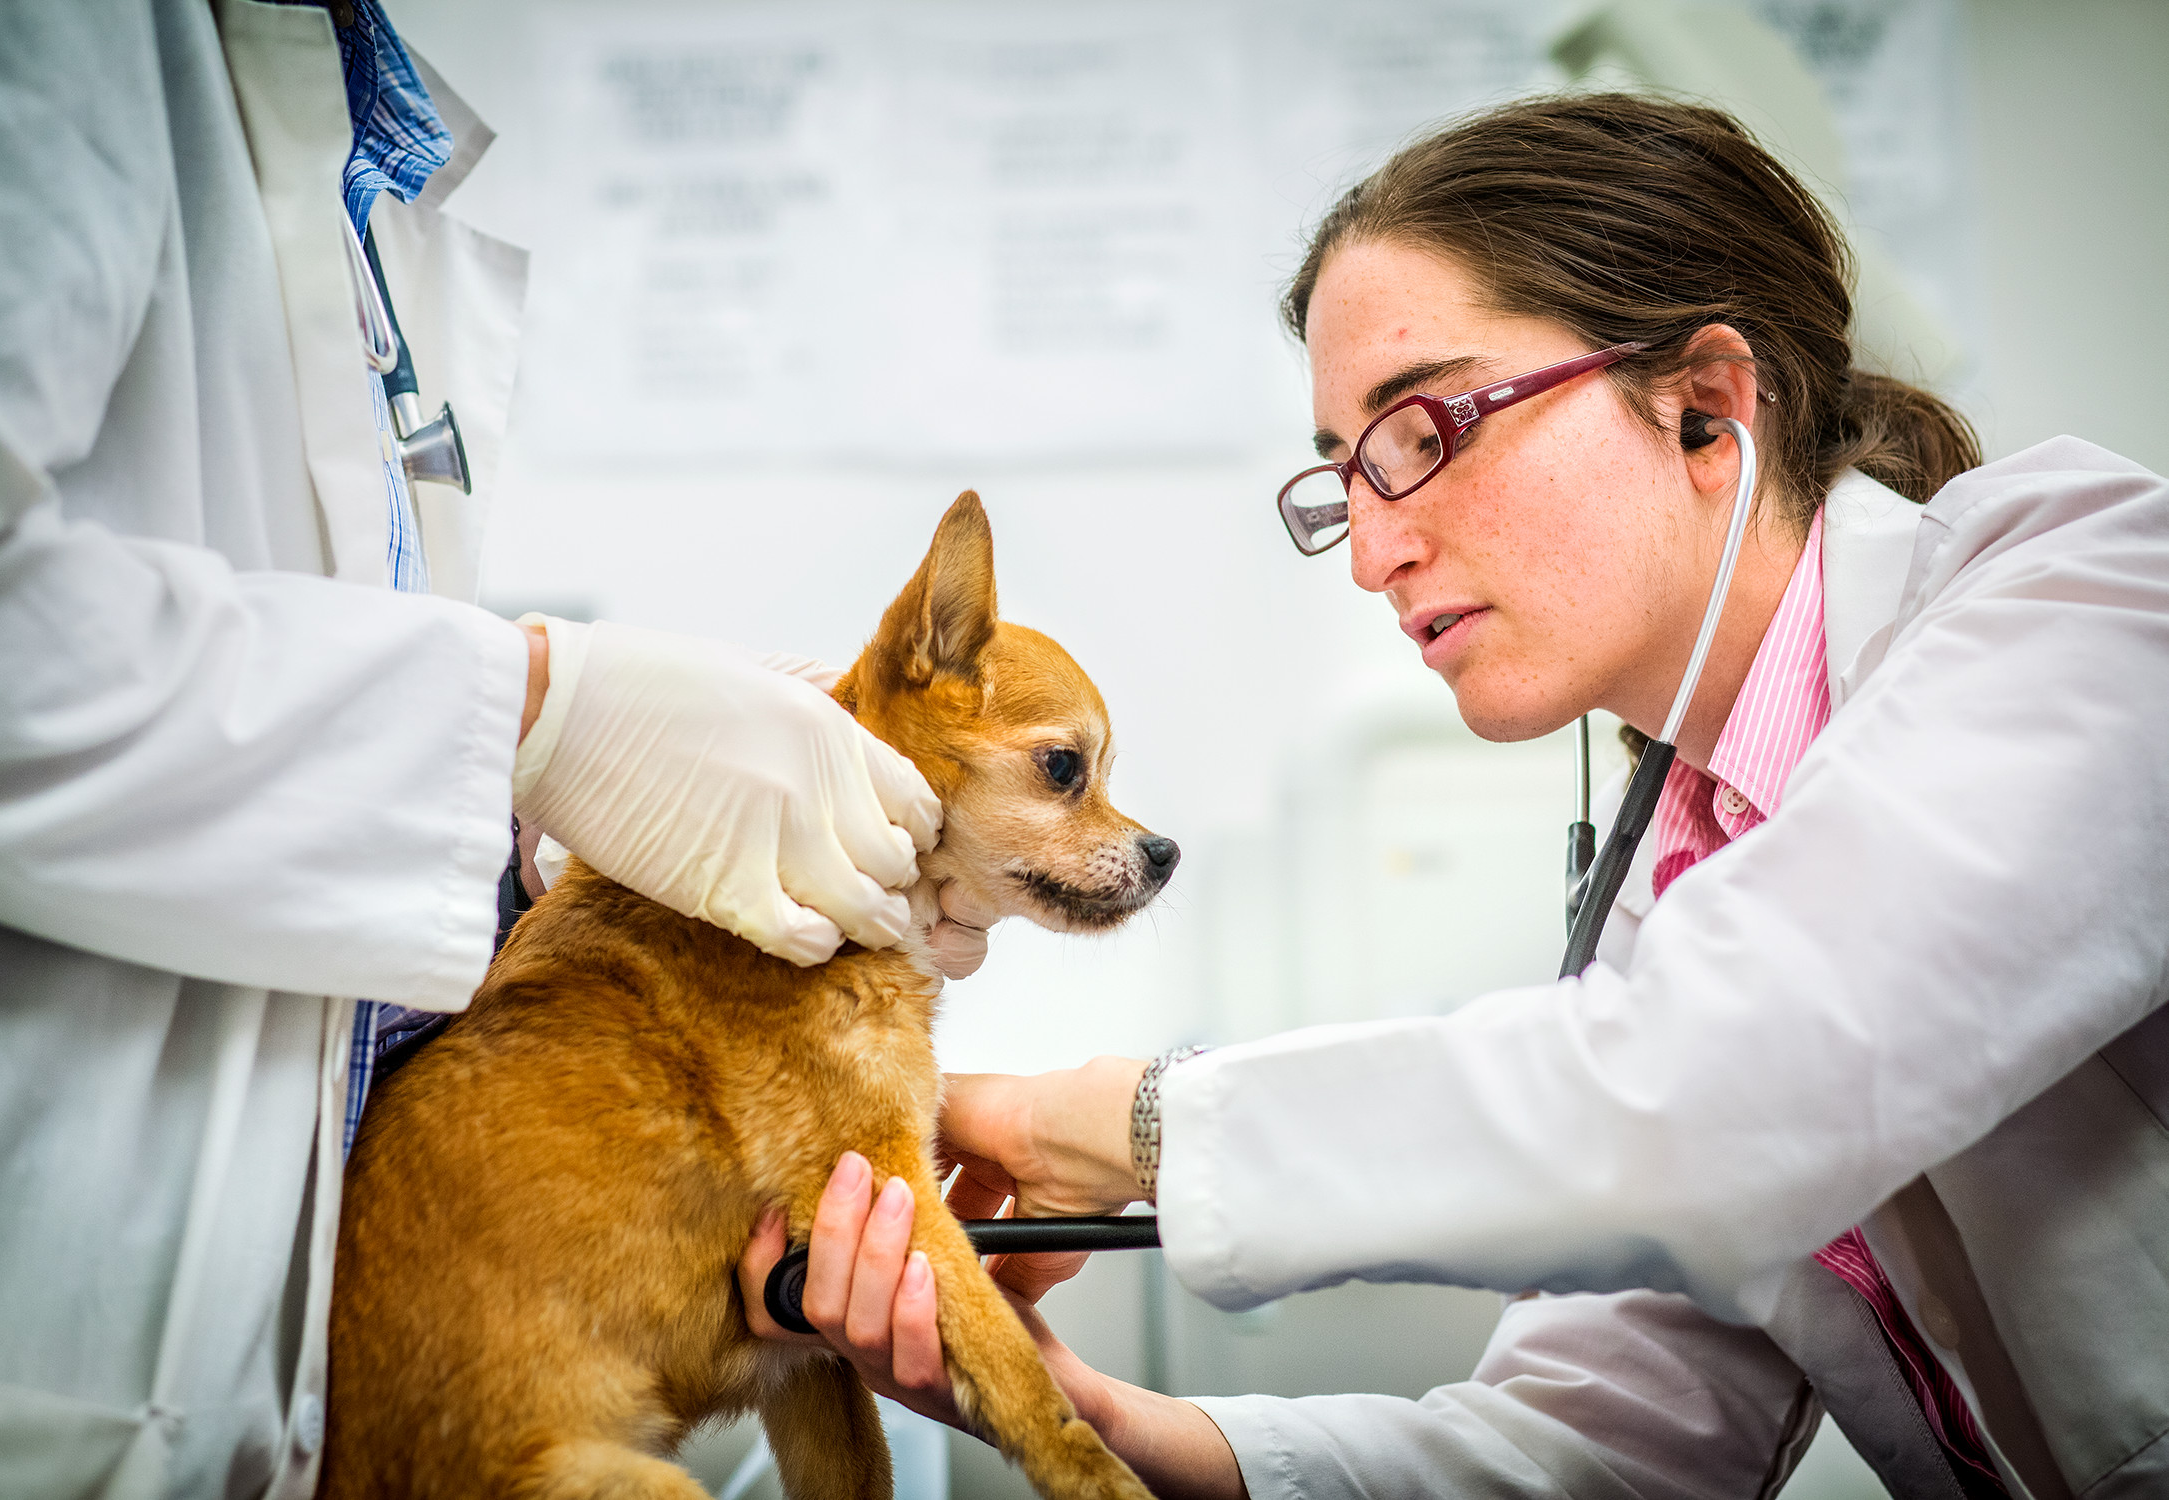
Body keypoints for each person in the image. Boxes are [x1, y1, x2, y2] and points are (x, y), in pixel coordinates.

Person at [740, 94, 2169, 1498]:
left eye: (1420, 431)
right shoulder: (1677, 885)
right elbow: (1587, 1453)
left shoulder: (2093, 609)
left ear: (1703, 404)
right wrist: (1083, 1411)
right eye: (1344, 477)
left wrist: (1113, 1125)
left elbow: (1726, 1088)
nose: (1369, 553)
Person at [0, 5, 959, 1497]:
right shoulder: (38, 37)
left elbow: (280, 710)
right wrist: (539, 714)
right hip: (35, 1311)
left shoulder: (336, 106)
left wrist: (531, 854)